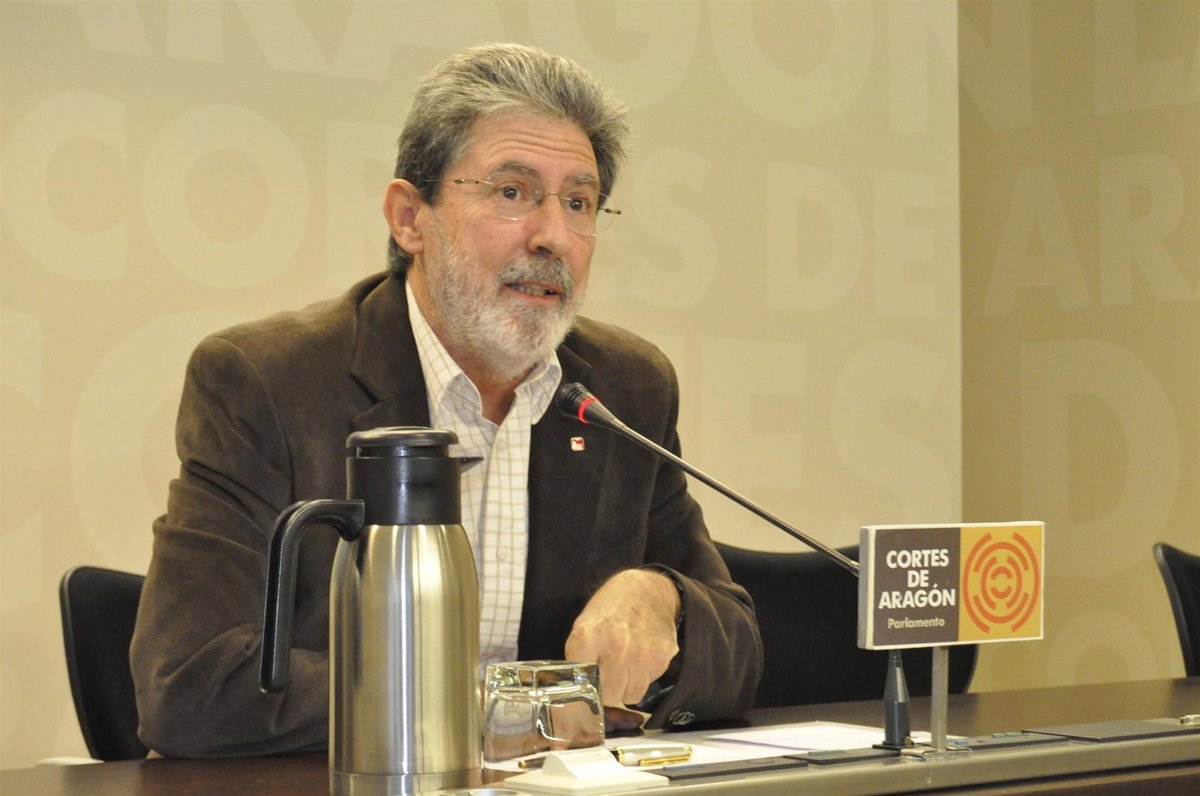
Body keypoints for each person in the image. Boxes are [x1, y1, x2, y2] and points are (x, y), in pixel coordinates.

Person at [130, 43, 762, 757]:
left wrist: (661, 595)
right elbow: (189, 685)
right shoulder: (267, 382)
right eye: (511, 192)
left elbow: (738, 657)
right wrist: (494, 711)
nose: (554, 236)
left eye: (579, 203)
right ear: (410, 218)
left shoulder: (625, 387)